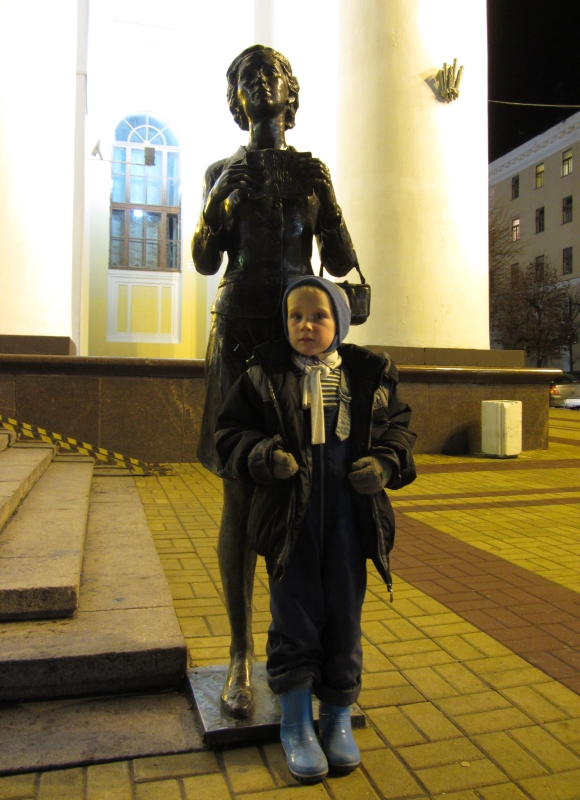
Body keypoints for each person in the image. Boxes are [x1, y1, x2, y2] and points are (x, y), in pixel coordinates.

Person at [192, 45, 359, 717]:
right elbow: (205, 260)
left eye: (272, 74)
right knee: (240, 494)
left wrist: (333, 212)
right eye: (246, 77)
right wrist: (216, 200)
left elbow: (340, 260)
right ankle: (239, 654)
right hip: (239, 339)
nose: (260, 82)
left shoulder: (313, 172)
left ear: (291, 94)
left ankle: (294, 653)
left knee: (300, 487)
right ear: (237, 100)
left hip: (298, 341)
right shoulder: (222, 171)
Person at [215, 277, 417, 782]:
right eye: (296, 316)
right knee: (294, 616)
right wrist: (263, 456)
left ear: (340, 323)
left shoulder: (369, 375)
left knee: (345, 615)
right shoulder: (263, 375)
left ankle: (338, 715)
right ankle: (296, 722)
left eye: (318, 316)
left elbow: (398, 429)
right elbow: (230, 432)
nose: (306, 326)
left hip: (349, 520)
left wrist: (385, 464)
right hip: (291, 524)